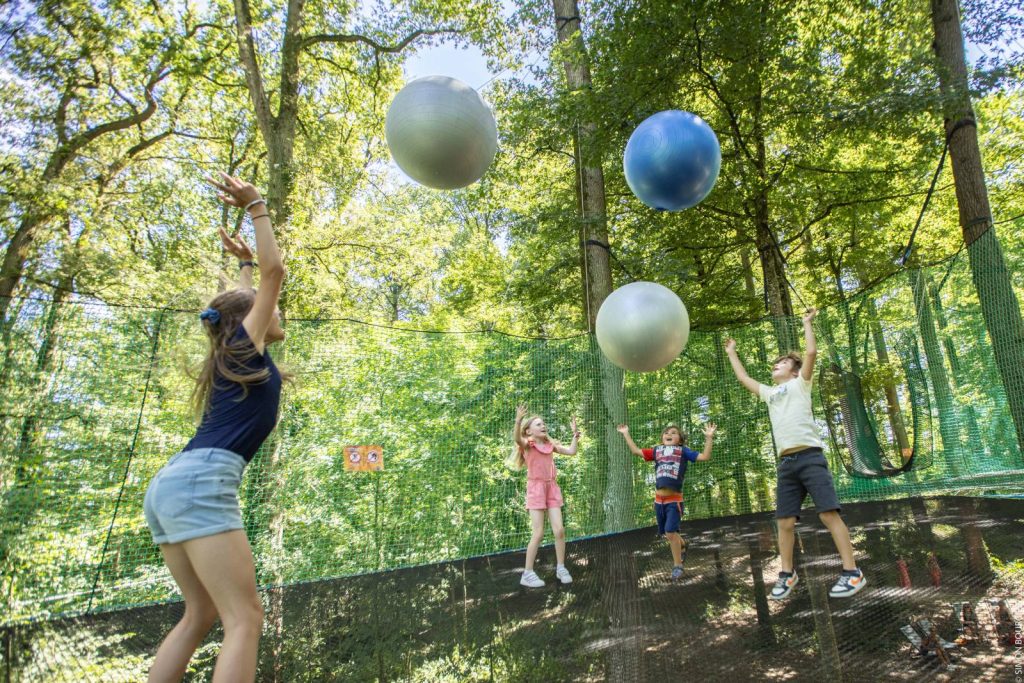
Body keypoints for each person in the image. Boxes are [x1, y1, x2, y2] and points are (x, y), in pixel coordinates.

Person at [143, 173, 286, 682]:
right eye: (266, 308)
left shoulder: (236, 349)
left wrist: (242, 264)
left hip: (170, 485)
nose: (276, 310)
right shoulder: (245, 348)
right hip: (203, 481)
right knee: (244, 619)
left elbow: (250, 291)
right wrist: (257, 207)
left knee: (199, 614)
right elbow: (276, 273)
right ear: (249, 318)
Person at [725, 308, 866, 600]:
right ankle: (787, 574)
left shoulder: (800, 384)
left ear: (793, 369)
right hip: (786, 464)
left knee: (828, 514)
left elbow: (811, 352)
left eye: (784, 362)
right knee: (784, 522)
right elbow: (743, 378)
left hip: (810, 458)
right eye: (776, 362)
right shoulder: (769, 393)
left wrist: (806, 323)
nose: (777, 364)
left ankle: (852, 572)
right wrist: (731, 352)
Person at [617, 422, 716, 579]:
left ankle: (678, 565)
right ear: (662, 438)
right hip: (659, 501)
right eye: (666, 432)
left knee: (670, 532)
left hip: (674, 500)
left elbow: (705, 456)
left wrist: (709, 438)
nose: (669, 434)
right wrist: (625, 433)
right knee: (667, 534)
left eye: (674, 432)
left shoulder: (683, 451)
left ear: (680, 440)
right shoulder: (657, 451)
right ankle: (682, 544)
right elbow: (635, 451)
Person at [512, 405, 579, 588]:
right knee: (539, 533)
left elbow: (572, 451)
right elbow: (517, 438)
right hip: (536, 489)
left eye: (543, 423)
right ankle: (527, 573)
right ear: (529, 431)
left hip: (552, 488)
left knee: (559, 530)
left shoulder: (550, 446)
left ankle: (561, 567)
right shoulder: (528, 445)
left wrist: (575, 436)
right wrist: (518, 420)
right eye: (538, 424)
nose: (543, 426)